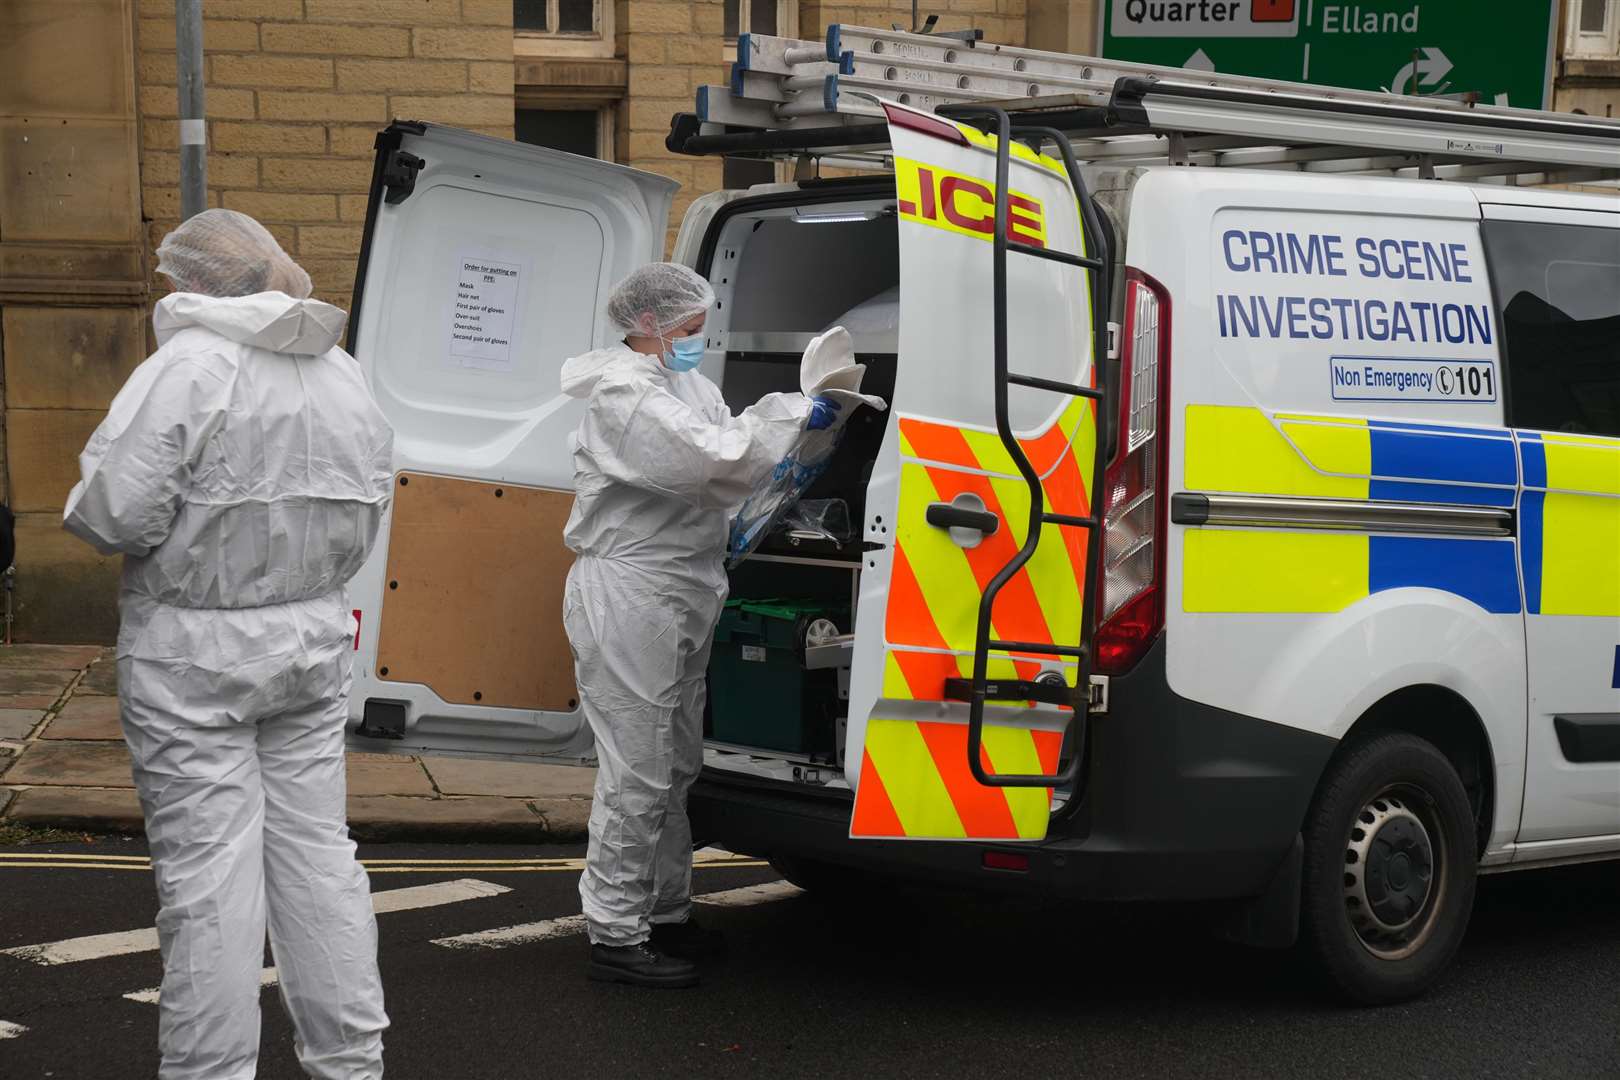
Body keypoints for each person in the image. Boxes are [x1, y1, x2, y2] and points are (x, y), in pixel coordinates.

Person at [62, 209, 394, 1079]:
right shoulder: (342, 373)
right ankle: (351, 1064)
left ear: (194, 283)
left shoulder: (188, 368)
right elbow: (369, 505)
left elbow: (114, 516)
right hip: (313, 635)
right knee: (319, 857)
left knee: (209, 882)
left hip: (193, 648)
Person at [561, 263, 847, 988]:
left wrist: (801, 447)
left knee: (675, 760)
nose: (699, 337)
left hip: (684, 584)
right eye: (689, 326)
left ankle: (665, 913)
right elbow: (714, 462)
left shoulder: (685, 384)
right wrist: (797, 410)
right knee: (639, 767)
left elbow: (735, 470)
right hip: (633, 591)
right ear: (649, 324)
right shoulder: (623, 396)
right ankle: (616, 933)